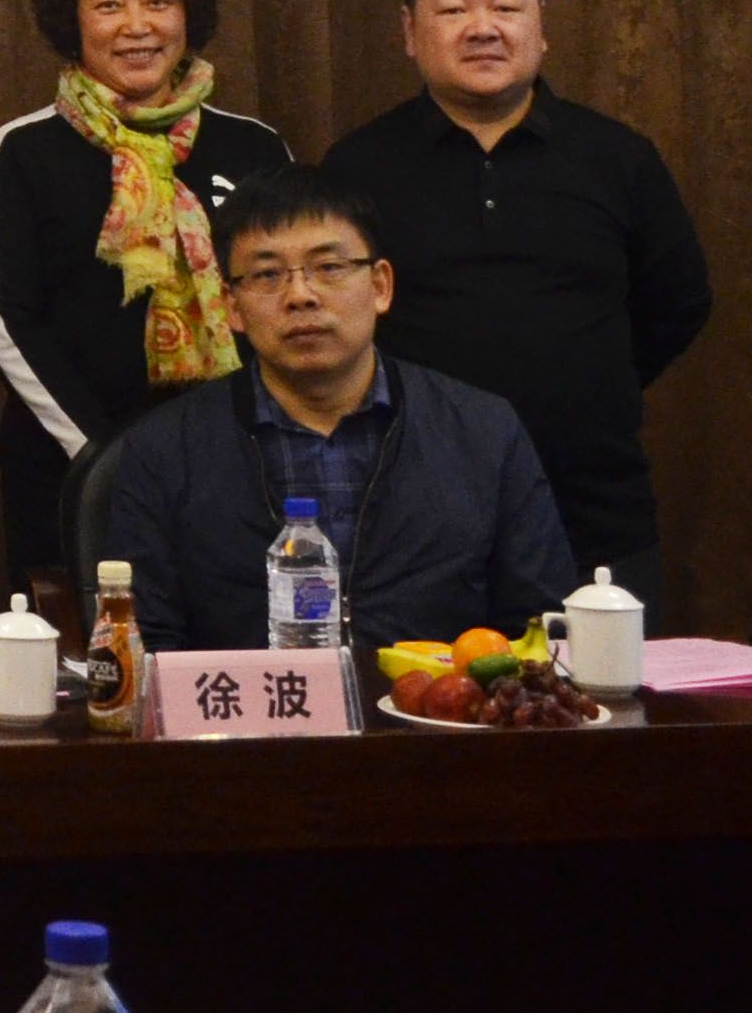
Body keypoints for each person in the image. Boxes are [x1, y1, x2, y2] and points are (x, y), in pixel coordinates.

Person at [319, 0, 710, 602]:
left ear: (540, 25)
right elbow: (332, 319)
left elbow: (678, 302)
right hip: (409, 509)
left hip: (592, 510)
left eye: (505, 6)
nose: (483, 28)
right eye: (452, 10)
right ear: (410, 31)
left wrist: (588, 380)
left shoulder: (617, 158)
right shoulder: (357, 167)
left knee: (603, 672)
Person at [96, 167, 576, 652]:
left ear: (381, 286)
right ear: (232, 307)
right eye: (267, 275)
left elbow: (539, 628)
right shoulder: (164, 448)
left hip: (435, 698)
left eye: (329, 267)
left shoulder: (484, 431)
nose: (301, 296)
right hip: (249, 700)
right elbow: (144, 642)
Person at [0, 0, 295, 594]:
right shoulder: (23, 149)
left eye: (157, 1)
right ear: (73, 21)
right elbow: (5, 316)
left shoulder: (255, 148)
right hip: (70, 462)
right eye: (109, 6)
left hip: (234, 465)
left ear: (188, 13)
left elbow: (285, 297)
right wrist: (102, 457)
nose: (136, 26)